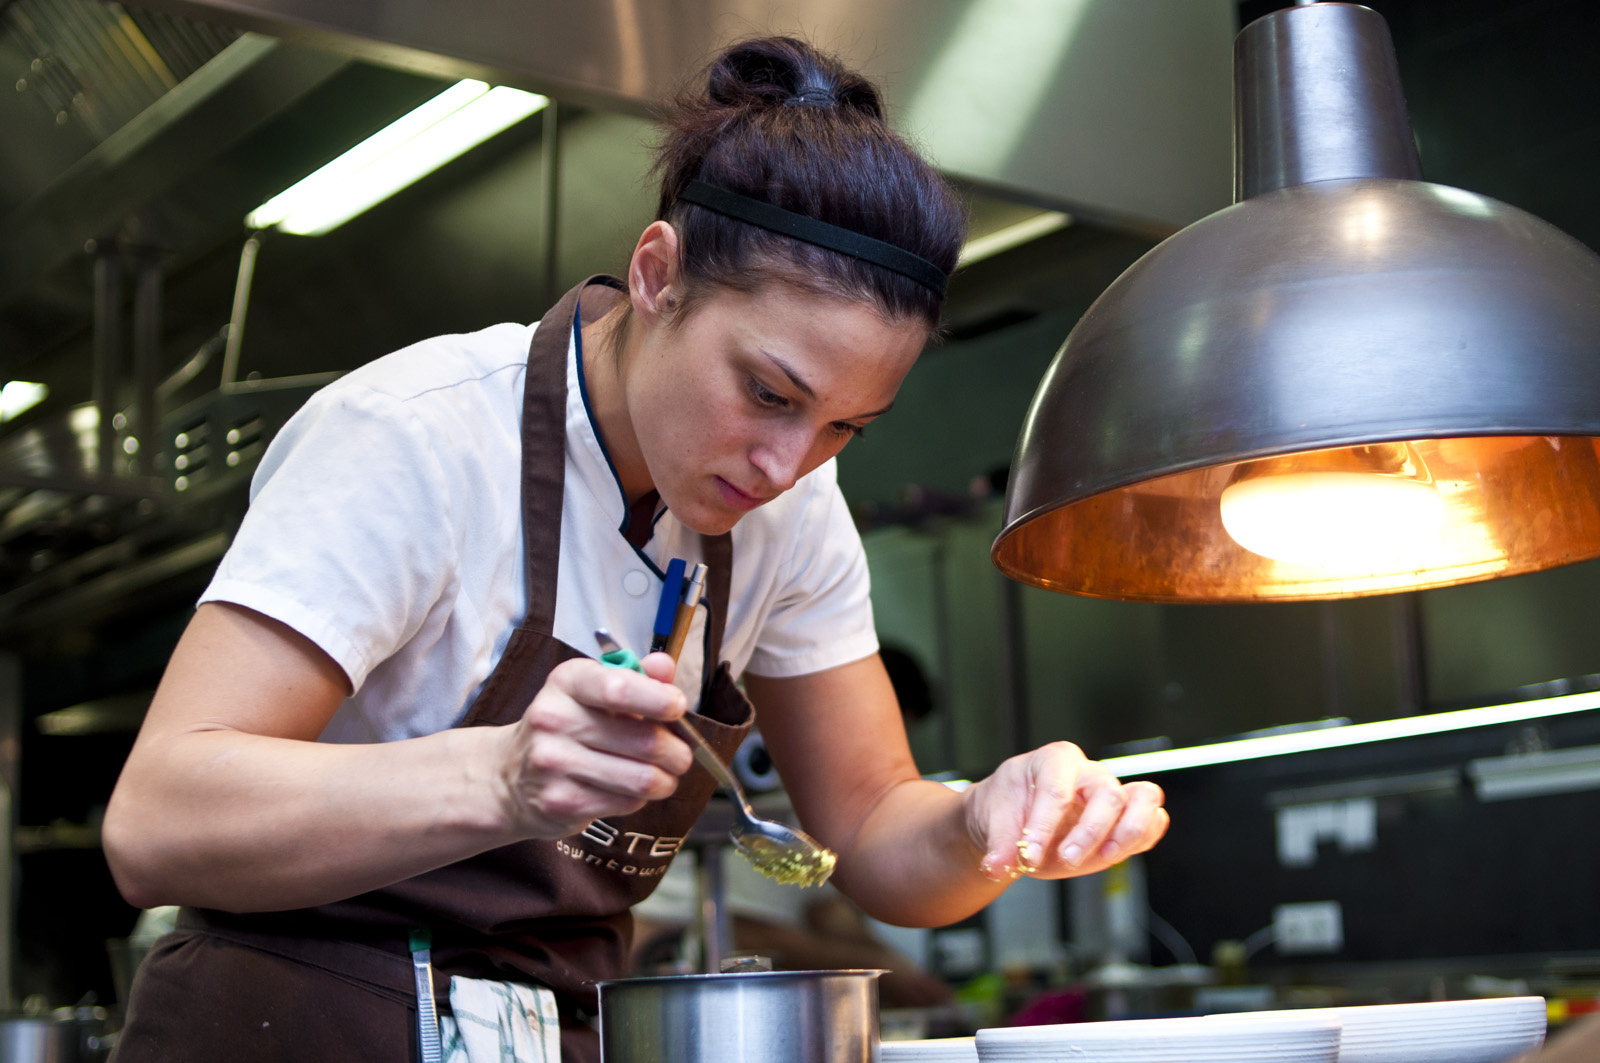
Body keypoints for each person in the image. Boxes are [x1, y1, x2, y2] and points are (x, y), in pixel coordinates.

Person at [101, 35, 1168, 1063]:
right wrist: (505, 776)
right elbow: (155, 822)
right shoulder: (413, 437)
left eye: (845, 426)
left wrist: (985, 820)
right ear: (658, 275)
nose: (785, 465)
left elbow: (877, 835)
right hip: (297, 1025)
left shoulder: (792, 515)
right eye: (767, 392)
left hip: (554, 1028)